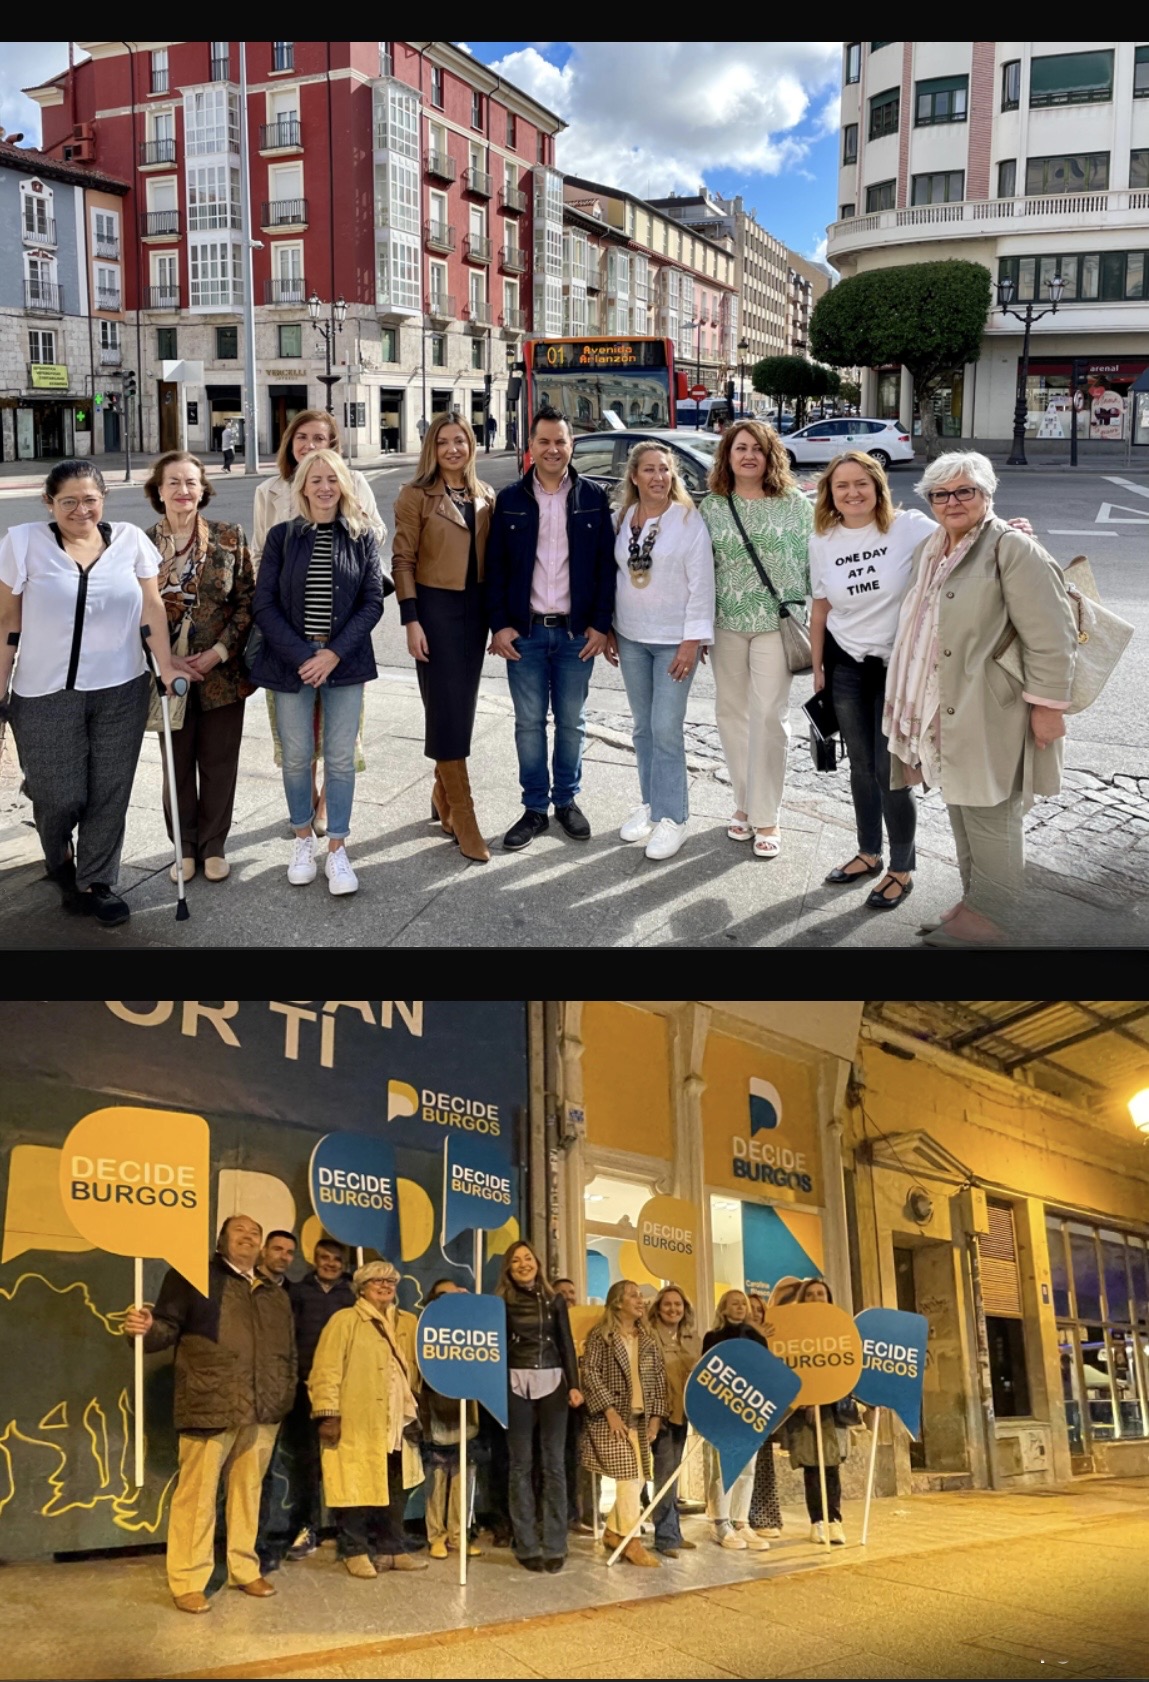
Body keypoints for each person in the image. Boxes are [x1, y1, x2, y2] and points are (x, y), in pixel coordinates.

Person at [883, 451, 1076, 947]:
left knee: (991, 814)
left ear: (988, 495)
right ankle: (976, 902)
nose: (953, 502)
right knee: (962, 805)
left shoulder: (1011, 548)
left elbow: (1053, 637)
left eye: (965, 491)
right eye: (941, 494)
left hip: (992, 709)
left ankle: (995, 917)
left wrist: (1049, 710)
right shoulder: (935, 546)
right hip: (943, 706)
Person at [0, 460, 183, 928]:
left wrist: (163, 665)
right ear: (49, 502)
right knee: (58, 794)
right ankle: (59, 853)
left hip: (120, 688)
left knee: (109, 790)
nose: (81, 510)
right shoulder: (23, 544)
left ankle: (96, 881)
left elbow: (152, 607)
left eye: (90, 500)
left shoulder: (128, 541)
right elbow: (7, 623)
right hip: (43, 691)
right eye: (68, 502)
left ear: (104, 499)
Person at [122, 1214, 296, 1613]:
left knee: (248, 1494)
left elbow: (287, 1351)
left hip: (263, 1409)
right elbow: (164, 1328)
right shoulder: (192, 1276)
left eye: (256, 1233)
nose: (249, 1237)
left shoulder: (275, 1292)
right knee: (197, 1498)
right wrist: (144, 1328)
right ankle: (188, 1579)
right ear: (221, 1241)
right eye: (240, 1231)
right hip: (210, 1402)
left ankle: (243, 1568)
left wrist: (283, 1392)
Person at [250, 448, 385, 897]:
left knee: (341, 758)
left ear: (343, 485)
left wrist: (332, 655)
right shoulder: (282, 537)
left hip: (344, 664)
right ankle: (302, 840)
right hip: (292, 665)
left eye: (333, 479)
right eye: (315, 480)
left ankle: (338, 848)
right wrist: (304, 655)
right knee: (296, 756)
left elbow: (372, 602)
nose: (325, 487)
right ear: (303, 488)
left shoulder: (361, 536)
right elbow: (263, 604)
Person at [486, 406, 616, 850]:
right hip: (524, 634)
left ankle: (567, 801)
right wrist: (499, 626)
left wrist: (600, 625)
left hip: (576, 634)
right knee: (528, 724)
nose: (553, 449)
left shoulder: (594, 497)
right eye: (544, 441)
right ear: (531, 448)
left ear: (571, 445)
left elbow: (606, 568)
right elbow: (496, 570)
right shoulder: (510, 500)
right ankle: (535, 808)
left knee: (572, 723)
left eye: (560, 441)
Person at [809, 453, 935, 910]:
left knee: (890, 769)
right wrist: (818, 667)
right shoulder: (822, 538)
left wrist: (1009, 526)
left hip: (896, 667)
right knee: (859, 766)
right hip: (845, 665)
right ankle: (869, 852)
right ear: (830, 493)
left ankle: (902, 867)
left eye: (861, 483)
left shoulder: (909, 526)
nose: (852, 492)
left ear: (878, 486)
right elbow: (820, 607)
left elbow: (964, 534)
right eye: (841, 485)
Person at [699, 420, 813, 858]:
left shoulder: (795, 504)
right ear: (727, 456)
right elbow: (698, 569)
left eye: (758, 449)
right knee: (731, 713)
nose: (749, 456)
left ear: (771, 457)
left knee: (769, 716)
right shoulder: (712, 506)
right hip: (726, 622)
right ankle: (744, 803)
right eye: (740, 448)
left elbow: (813, 564)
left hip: (776, 624)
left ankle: (768, 814)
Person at [142, 450, 255, 884]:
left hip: (221, 674)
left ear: (203, 489)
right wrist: (164, 661)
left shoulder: (229, 536)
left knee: (220, 761)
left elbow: (248, 601)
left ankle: (213, 846)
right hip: (167, 674)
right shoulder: (141, 544)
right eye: (173, 482)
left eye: (191, 482)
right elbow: (132, 609)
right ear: (158, 491)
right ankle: (183, 848)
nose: (183, 491)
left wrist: (219, 652)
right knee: (177, 762)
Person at [391, 412, 496, 862]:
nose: (453, 449)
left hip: (475, 613)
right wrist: (411, 620)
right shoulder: (415, 496)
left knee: (459, 708)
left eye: (461, 440)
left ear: (471, 445)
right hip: (434, 610)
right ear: (431, 448)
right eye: (444, 442)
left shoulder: (485, 494)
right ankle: (463, 812)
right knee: (446, 709)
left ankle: (441, 793)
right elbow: (402, 561)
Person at [604, 442, 715, 861]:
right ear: (634, 476)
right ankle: (651, 805)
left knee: (666, 728)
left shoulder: (687, 521)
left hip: (673, 642)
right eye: (648, 470)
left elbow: (703, 586)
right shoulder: (623, 518)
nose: (657, 477)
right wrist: (611, 629)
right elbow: (615, 578)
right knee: (643, 728)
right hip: (631, 637)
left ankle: (675, 818)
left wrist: (691, 642)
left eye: (665, 470)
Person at [307, 1258, 428, 1578]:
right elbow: (326, 1370)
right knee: (354, 1487)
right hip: (358, 1418)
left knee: (395, 1487)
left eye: (390, 1281)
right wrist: (328, 1414)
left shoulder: (408, 1322)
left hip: (397, 1421)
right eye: (377, 1281)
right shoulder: (345, 1320)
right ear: (362, 1287)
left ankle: (391, 1549)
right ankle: (354, 1549)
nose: (385, 1286)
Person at [495, 1239, 583, 1572]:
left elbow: (565, 1344)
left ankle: (556, 1543)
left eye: (527, 1258)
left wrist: (574, 1385)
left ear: (537, 1263)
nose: (523, 1264)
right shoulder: (501, 1302)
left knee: (554, 1465)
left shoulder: (554, 1300)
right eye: (515, 1260)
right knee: (520, 1465)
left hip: (553, 1383)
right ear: (508, 1267)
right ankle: (527, 1543)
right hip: (515, 1383)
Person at [579, 1280, 668, 1569]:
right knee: (629, 1478)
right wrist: (608, 1410)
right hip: (609, 1419)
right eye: (633, 1295)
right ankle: (632, 1541)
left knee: (639, 1478)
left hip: (639, 1421)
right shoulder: (600, 1336)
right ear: (617, 1302)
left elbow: (657, 1380)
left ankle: (614, 1532)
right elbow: (589, 1373)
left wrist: (655, 1417)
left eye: (641, 1296)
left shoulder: (649, 1338)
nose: (640, 1300)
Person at [282, 1238, 355, 1561]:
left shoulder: (353, 1295)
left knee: (345, 1464)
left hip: (347, 1390)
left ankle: (347, 1533)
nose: (330, 1264)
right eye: (324, 1258)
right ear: (313, 1259)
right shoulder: (297, 1292)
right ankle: (306, 1528)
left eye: (336, 1259)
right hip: (305, 1389)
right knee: (307, 1465)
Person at [781, 1278, 864, 1545]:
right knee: (812, 1468)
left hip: (831, 1411)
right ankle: (817, 1521)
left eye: (821, 1294)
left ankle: (835, 1520)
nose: (816, 1298)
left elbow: (845, 1366)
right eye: (811, 1294)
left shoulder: (839, 1328)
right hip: (803, 1411)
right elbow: (786, 1364)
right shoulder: (793, 1330)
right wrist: (803, 1400)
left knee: (831, 1467)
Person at [700, 1290, 770, 1551]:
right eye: (734, 1303)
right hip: (723, 1411)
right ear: (724, 1308)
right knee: (724, 1468)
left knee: (748, 1468)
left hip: (751, 1410)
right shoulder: (713, 1337)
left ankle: (741, 1521)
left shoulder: (757, 1337)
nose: (740, 1307)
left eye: (743, 1304)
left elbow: (764, 1371)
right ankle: (721, 1522)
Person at [419, 1280, 482, 1561]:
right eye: (442, 1295)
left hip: (465, 1412)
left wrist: (469, 1304)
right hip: (436, 1411)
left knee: (463, 1479)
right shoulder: (426, 1329)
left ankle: (459, 1535)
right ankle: (436, 1536)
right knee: (437, 1478)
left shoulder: (470, 1328)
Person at [253, 1229, 298, 1571]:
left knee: (263, 1476)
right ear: (263, 1250)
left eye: (289, 1252)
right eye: (277, 1249)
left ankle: (257, 1546)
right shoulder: (242, 1287)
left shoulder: (290, 1295)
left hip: (274, 1399)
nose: (283, 1256)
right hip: (239, 1396)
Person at [646, 1284, 700, 1558]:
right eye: (667, 1304)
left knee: (672, 1476)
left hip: (683, 1413)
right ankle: (665, 1537)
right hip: (658, 1414)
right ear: (658, 1307)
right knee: (664, 1476)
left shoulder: (691, 1337)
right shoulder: (648, 1334)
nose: (673, 1309)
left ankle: (674, 1532)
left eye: (678, 1304)